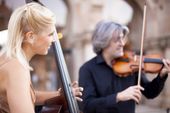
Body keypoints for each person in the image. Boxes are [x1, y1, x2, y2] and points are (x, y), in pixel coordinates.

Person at [0, 2, 83, 113]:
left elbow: (27, 96)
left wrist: (60, 94)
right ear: (30, 36)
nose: (54, 40)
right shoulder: (16, 68)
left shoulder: (10, 60)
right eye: (50, 34)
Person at [78, 20, 170, 113]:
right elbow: (87, 106)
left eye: (122, 38)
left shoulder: (132, 65)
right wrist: (118, 97)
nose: (122, 43)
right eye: (117, 40)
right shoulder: (87, 69)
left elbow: (150, 92)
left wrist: (162, 75)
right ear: (103, 41)